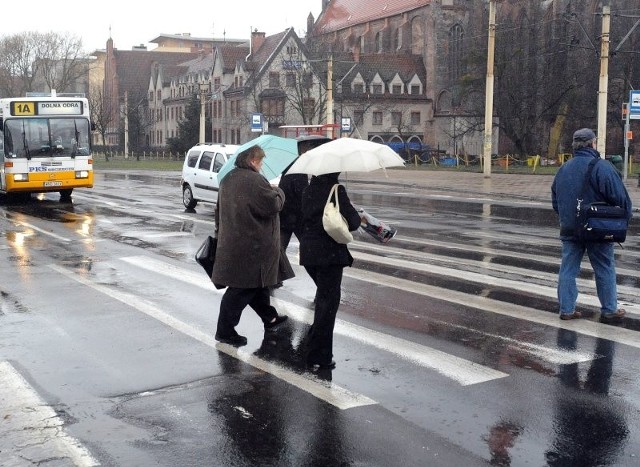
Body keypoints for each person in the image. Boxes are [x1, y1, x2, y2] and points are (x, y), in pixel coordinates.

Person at [551, 128, 632, 321]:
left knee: (568, 269)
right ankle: (609, 309)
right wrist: (622, 222)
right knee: (604, 267)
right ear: (592, 144)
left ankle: (567, 309)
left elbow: (556, 201)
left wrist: (569, 218)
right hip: (597, 228)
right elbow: (622, 200)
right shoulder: (602, 167)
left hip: (570, 228)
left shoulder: (564, 168)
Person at [212, 145, 289, 346]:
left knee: (258, 284)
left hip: (234, 242)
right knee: (241, 289)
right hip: (253, 245)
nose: (262, 165)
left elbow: (218, 210)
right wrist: (278, 191)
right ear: (253, 161)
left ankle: (269, 317)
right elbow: (272, 206)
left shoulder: (228, 179)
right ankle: (225, 331)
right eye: (260, 161)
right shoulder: (256, 181)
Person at [299, 172, 361, 369]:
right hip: (329, 255)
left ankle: (313, 347)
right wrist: (356, 215)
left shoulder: (308, 189)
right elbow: (353, 222)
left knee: (324, 301)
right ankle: (319, 355)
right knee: (328, 305)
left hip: (309, 253)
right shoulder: (336, 190)